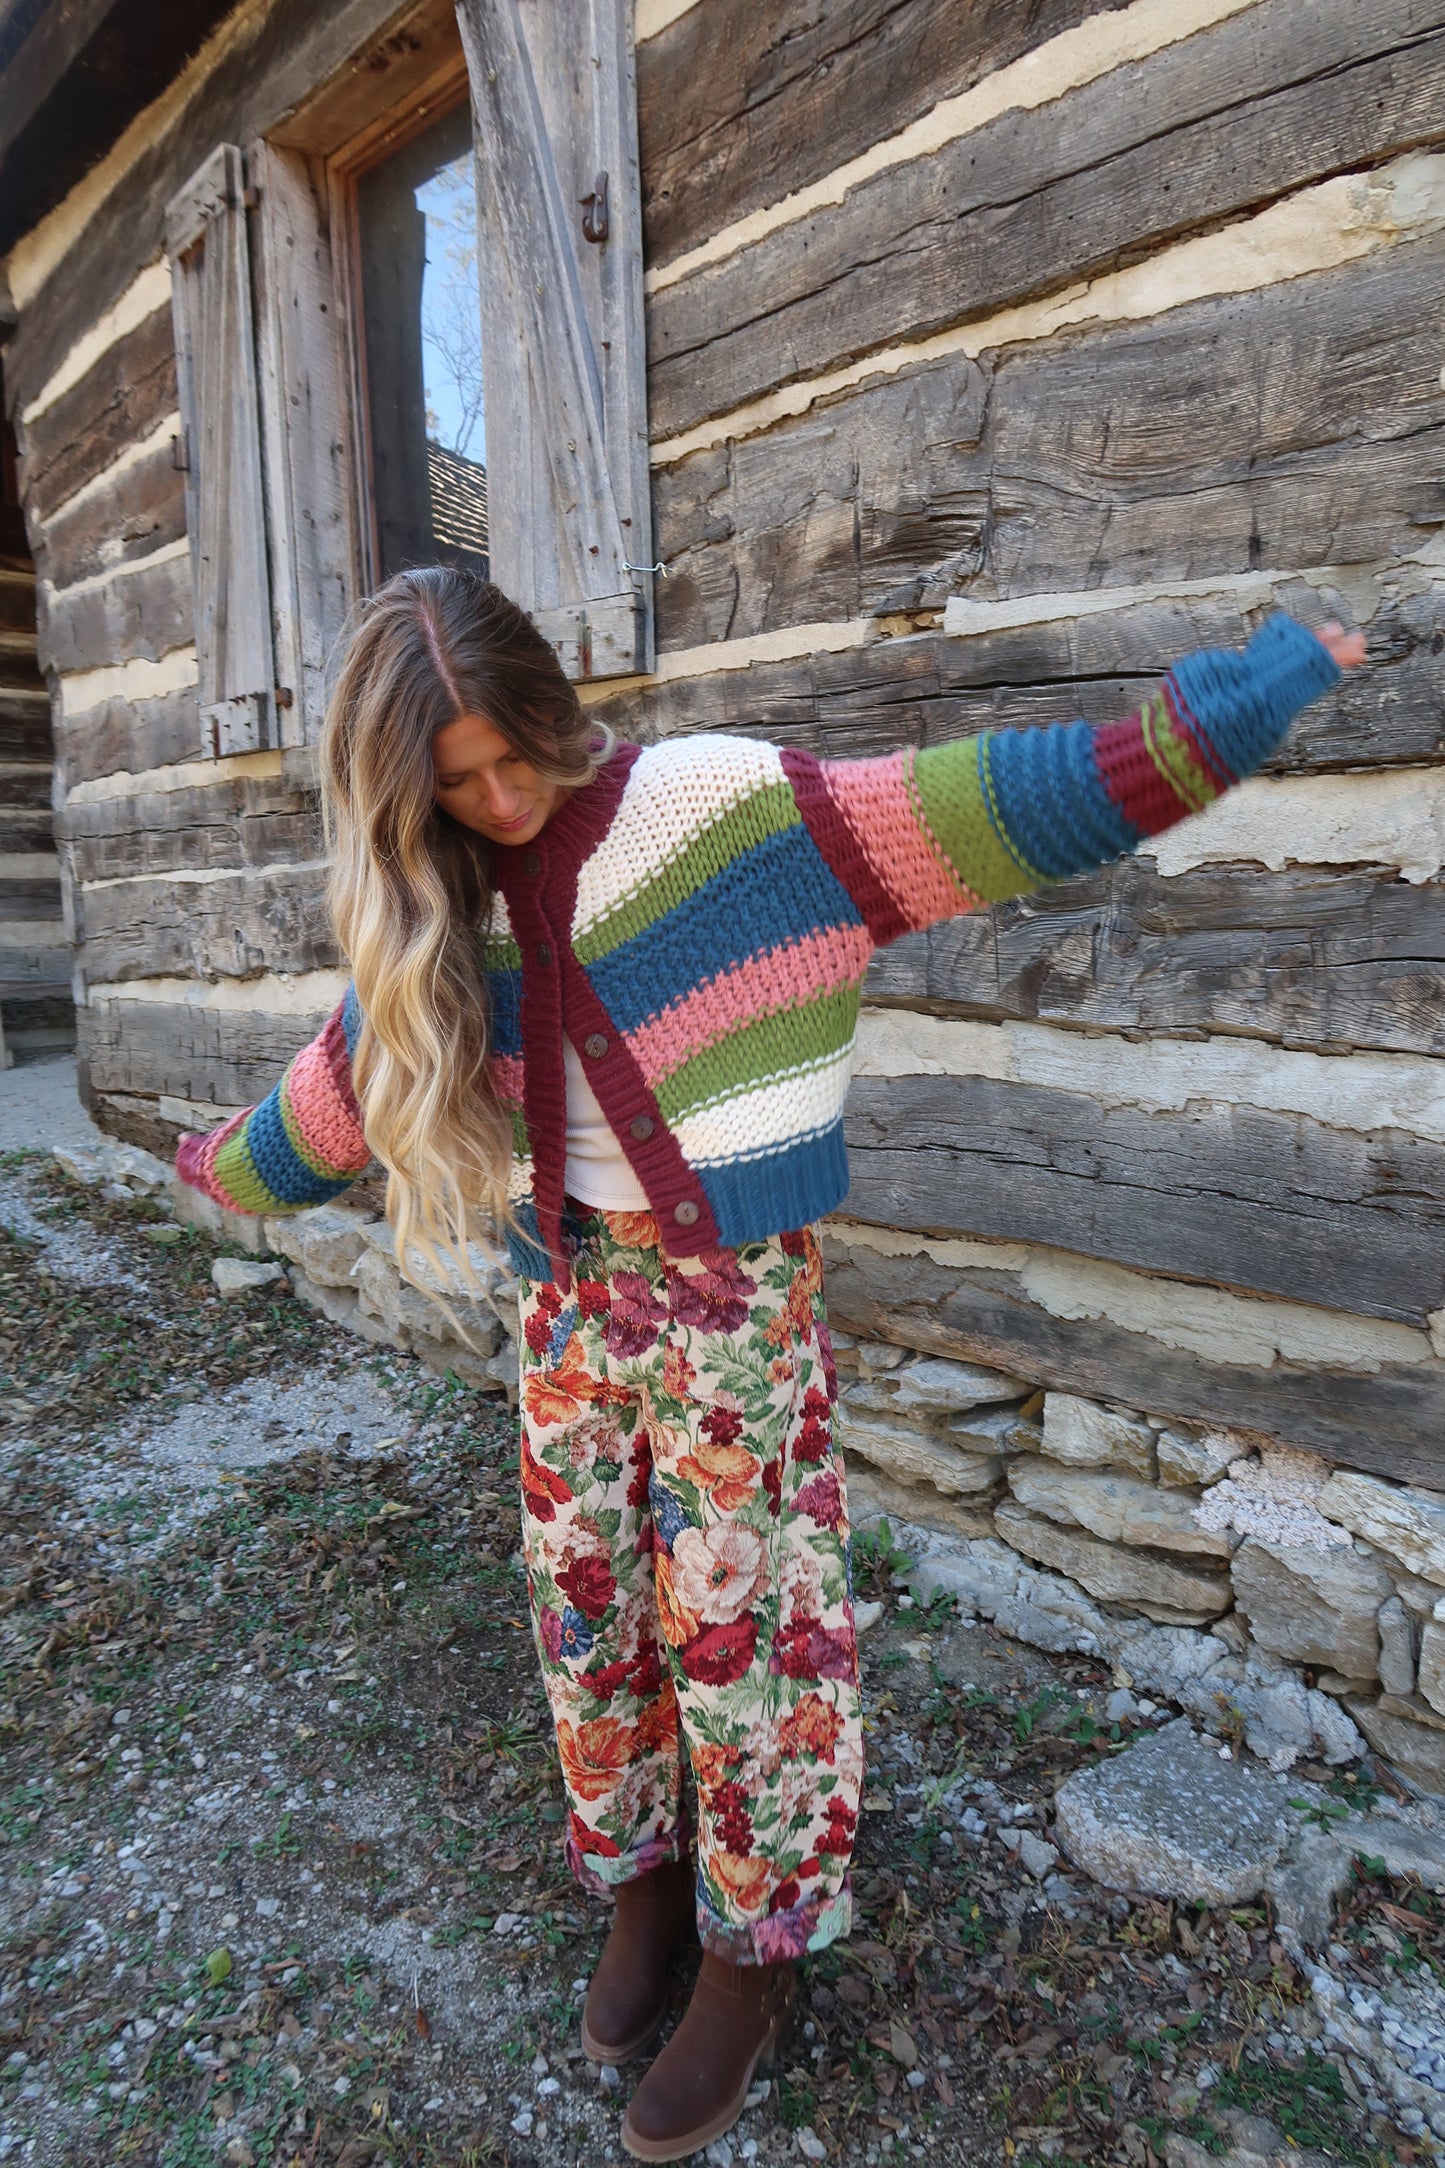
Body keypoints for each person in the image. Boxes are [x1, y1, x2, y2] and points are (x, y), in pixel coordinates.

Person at [176, 567, 1362, 2161]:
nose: (500, 795)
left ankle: (754, 1954)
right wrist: (212, 1174)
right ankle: (645, 1887)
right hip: (563, 1313)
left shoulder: (722, 812)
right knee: (585, 1613)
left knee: (747, 1635)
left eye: (511, 749)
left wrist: (1233, 706)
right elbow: (323, 1106)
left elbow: (1006, 805)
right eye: (452, 785)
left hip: (731, 1309)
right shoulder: (434, 902)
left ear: (550, 703)